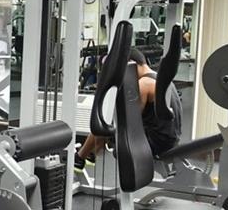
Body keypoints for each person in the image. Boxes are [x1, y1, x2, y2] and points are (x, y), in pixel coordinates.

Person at [74, 39, 183, 170]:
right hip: (170, 141)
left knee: (105, 122)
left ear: (131, 65)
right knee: (108, 122)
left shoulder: (144, 84)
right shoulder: (160, 79)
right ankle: (89, 154)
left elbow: (129, 122)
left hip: (156, 144)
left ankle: (80, 157)